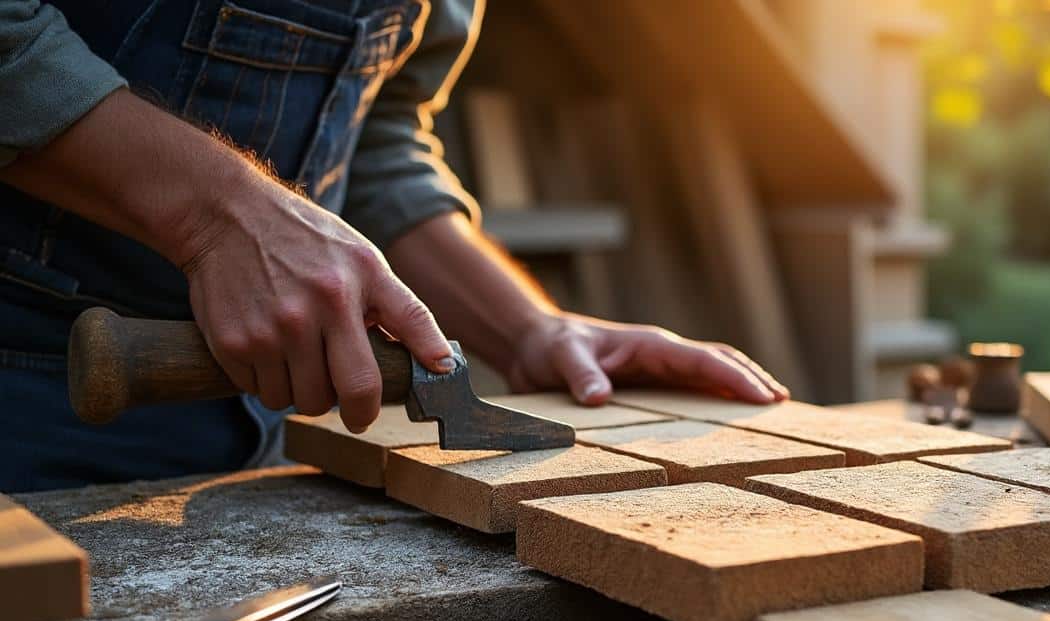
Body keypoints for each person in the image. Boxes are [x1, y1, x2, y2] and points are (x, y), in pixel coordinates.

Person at [0, 0, 787, 493]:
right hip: (31, 395)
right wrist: (220, 214)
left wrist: (526, 329)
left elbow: (373, 133)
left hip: (251, 443)